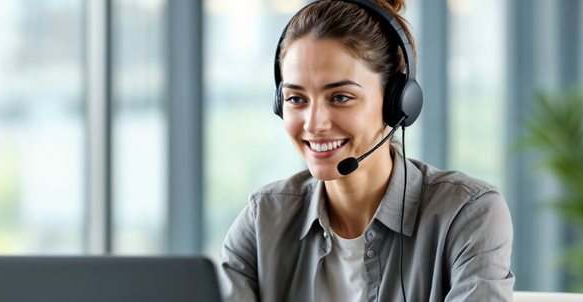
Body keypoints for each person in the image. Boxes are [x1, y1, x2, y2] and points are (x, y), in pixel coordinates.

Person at [219, 0, 515, 301]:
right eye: (296, 99)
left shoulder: (466, 214)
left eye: (340, 97)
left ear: (397, 103)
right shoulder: (264, 219)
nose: (314, 123)